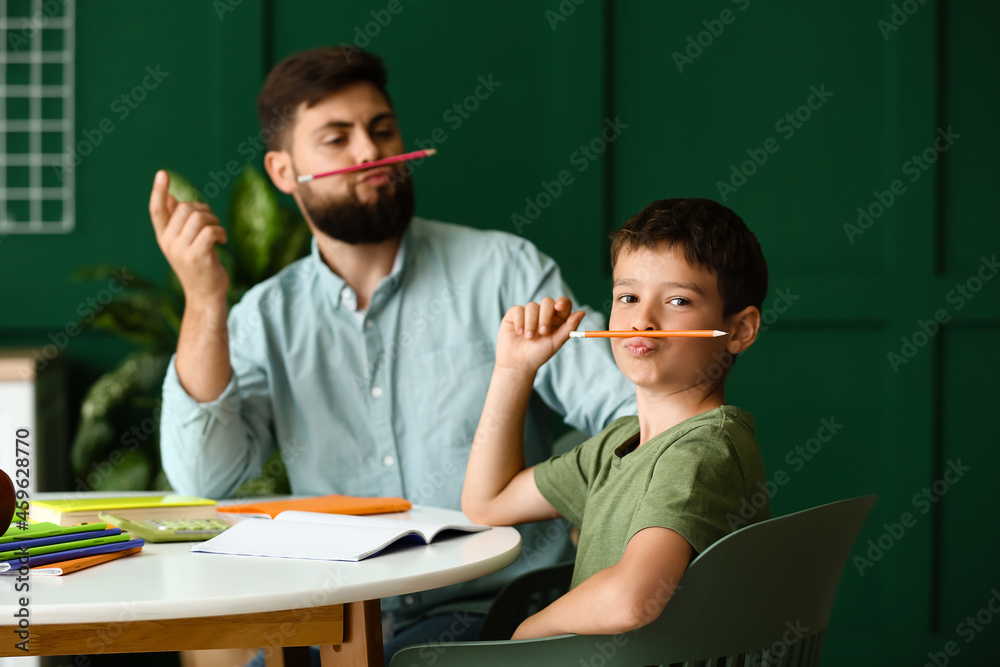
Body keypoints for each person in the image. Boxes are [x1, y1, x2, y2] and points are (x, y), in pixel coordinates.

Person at [148, 46, 635, 653]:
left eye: (382, 130)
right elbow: (205, 476)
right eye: (336, 138)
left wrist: (570, 491)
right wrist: (204, 301)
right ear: (282, 171)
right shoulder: (265, 317)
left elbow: (630, 413)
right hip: (332, 618)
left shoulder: (505, 270)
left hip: (495, 612)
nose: (370, 152)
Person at [462, 197, 771, 638]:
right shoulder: (620, 442)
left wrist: (526, 633)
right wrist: (514, 369)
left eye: (678, 301)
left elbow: (633, 599)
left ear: (739, 330)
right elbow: (487, 502)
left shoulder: (699, 452)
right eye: (628, 296)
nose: (641, 320)